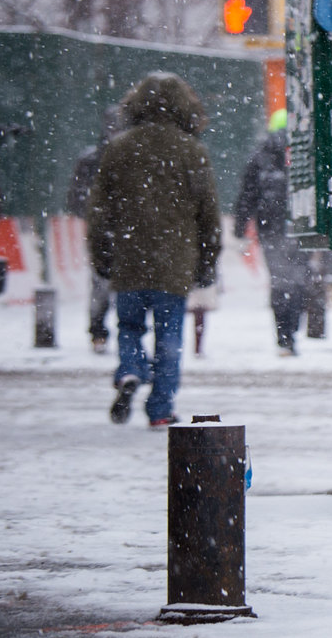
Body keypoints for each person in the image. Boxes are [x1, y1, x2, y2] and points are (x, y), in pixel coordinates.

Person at [87, 72, 221, 428]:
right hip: (175, 261)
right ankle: (160, 408)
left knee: (128, 325)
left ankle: (130, 369)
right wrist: (207, 261)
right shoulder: (192, 151)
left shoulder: (119, 147)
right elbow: (207, 213)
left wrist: (101, 254)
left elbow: (99, 209)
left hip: (128, 256)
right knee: (169, 335)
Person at [234, 108, 310, 357]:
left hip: (270, 229)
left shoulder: (260, 156)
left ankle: (283, 336)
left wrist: (240, 227)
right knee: (298, 280)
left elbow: (247, 195)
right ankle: (293, 331)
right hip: (301, 228)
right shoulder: (304, 152)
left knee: (279, 283)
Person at [66, 105, 125, 353]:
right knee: (103, 284)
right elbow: (76, 199)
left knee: (106, 284)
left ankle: (104, 331)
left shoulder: (97, 159)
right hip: (112, 230)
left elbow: (76, 200)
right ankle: (101, 331)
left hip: (114, 229)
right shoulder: (94, 160)